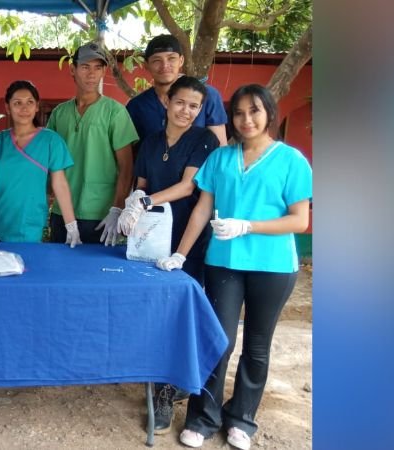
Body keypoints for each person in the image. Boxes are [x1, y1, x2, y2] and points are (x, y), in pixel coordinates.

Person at [156, 85, 312, 450]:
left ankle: (242, 418)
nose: (246, 120)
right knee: (218, 341)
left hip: (273, 266)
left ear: (269, 113)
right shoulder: (221, 159)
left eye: (254, 111)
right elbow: (202, 209)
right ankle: (202, 418)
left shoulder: (291, 161)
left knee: (257, 345)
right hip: (224, 263)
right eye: (239, 113)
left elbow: (299, 220)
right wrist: (181, 253)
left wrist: (248, 225)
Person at [116, 76, 220, 434]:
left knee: (178, 317)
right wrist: (132, 203)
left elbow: (188, 187)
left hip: (186, 245)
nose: (186, 111)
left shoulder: (203, 140)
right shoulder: (150, 142)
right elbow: (142, 183)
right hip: (149, 241)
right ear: (167, 103)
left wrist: (144, 201)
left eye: (194, 106)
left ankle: (165, 393)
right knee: (153, 312)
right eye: (181, 103)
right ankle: (153, 378)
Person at [46, 42, 139, 246]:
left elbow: (126, 168)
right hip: (63, 211)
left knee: (98, 274)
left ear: (104, 71)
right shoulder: (59, 113)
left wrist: (116, 209)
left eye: (98, 68)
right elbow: (49, 164)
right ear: (73, 69)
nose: (91, 74)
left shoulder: (115, 112)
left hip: (101, 214)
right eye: (85, 67)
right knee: (60, 272)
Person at [0, 80, 80, 246]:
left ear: (37, 106)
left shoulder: (51, 141)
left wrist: (71, 226)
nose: (24, 108)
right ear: (8, 108)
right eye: (17, 103)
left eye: (30, 102)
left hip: (30, 223)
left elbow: (59, 184)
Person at [126, 34, 228, 150]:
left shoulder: (208, 95)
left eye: (171, 58)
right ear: (146, 65)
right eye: (157, 60)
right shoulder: (136, 106)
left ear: (181, 61)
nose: (165, 65)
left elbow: (220, 151)